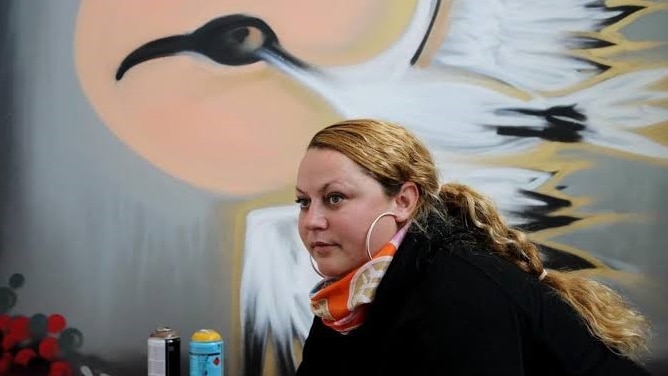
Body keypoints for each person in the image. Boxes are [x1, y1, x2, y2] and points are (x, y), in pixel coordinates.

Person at [293, 118, 652, 375]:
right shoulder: (348, 303)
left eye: (335, 198)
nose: (312, 221)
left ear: (403, 201)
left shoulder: (460, 289)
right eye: (304, 202)